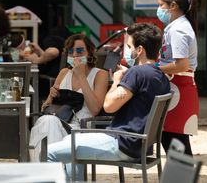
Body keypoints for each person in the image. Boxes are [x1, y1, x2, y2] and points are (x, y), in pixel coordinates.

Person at [47, 23, 170, 180]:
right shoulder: (160, 76)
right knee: (70, 140)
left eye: (129, 46)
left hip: (122, 144)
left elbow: (109, 106)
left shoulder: (136, 73)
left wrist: (117, 81)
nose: (126, 51)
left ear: (139, 51)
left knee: (49, 152)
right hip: (141, 146)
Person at [29, 33, 109, 162]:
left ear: (89, 53)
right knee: (47, 122)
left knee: (48, 124)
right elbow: (46, 107)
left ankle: (44, 171)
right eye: (71, 52)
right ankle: (51, 172)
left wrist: (82, 77)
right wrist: (51, 97)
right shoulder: (64, 73)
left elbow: (95, 109)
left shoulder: (100, 74)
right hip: (58, 122)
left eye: (80, 51)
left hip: (81, 128)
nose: (75, 55)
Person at [156, 0, 198, 156]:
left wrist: (155, 69)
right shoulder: (176, 27)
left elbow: (181, 65)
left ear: (173, 5)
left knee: (176, 144)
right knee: (172, 142)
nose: (158, 9)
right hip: (177, 90)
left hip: (179, 90)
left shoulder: (179, 30)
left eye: (160, 5)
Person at [23, 26, 72, 97]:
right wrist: (39, 50)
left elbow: (53, 52)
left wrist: (36, 60)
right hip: (62, 81)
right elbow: (53, 58)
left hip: (51, 82)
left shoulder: (51, 38)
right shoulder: (65, 43)